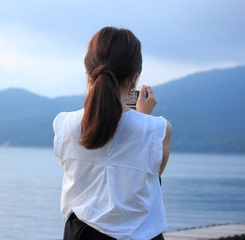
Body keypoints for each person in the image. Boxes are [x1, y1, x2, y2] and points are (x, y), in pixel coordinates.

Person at [53, 26, 172, 240]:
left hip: (81, 235)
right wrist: (142, 116)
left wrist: (140, 118)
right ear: (134, 77)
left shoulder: (64, 124)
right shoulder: (158, 129)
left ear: (89, 74)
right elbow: (151, 178)